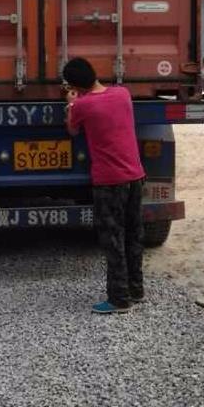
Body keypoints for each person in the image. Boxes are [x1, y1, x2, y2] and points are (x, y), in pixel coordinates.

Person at [63, 57, 146, 314]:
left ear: (75, 86)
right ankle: (136, 289)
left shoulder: (82, 105)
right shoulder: (123, 94)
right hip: (135, 176)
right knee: (133, 234)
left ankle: (119, 299)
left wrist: (70, 103)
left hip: (109, 181)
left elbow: (72, 130)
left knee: (113, 239)